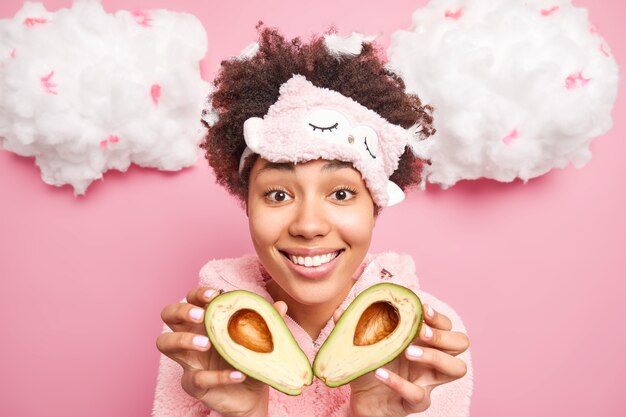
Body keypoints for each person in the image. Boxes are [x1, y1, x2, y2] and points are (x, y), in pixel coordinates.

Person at [153, 26, 473, 417]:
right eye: (278, 194)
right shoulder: (202, 339)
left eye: (340, 193)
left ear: (375, 206)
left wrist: (371, 413)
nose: (308, 225)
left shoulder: (427, 341)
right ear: (248, 206)